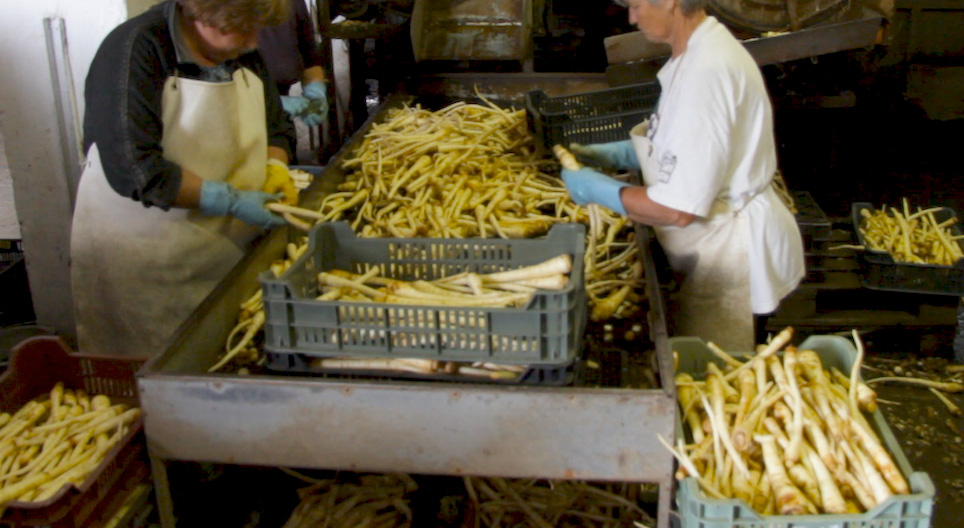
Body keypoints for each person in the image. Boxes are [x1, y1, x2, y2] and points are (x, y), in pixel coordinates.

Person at [561, 0, 804, 350]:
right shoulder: (696, 53)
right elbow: (691, 146)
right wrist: (627, 152)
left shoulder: (707, 72)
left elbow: (676, 210)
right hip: (712, 243)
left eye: (636, 5)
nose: (631, 16)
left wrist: (599, 191)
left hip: (731, 251)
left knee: (720, 366)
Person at [71, 0, 299, 357]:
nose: (253, 42)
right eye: (243, 28)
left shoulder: (241, 52)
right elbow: (135, 167)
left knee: (227, 354)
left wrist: (276, 168)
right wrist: (230, 200)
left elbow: (277, 126)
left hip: (224, 252)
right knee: (159, 364)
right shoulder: (137, 49)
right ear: (203, 14)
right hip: (150, 261)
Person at [258, 0, 329, 137]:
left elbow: (310, 57)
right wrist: (269, 103)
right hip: (239, 120)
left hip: (281, 114)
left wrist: (316, 91)